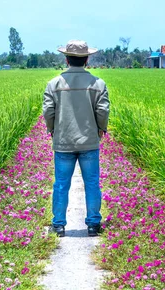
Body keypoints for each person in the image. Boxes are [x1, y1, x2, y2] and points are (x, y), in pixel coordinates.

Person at [42, 40, 110, 237]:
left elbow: (48, 111)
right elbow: (103, 110)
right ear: (87, 59)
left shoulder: (54, 84)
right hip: (89, 140)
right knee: (92, 183)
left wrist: (52, 129)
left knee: (61, 184)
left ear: (66, 59)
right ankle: (93, 225)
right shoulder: (98, 84)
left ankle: (59, 225)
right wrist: (101, 129)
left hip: (63, 141)